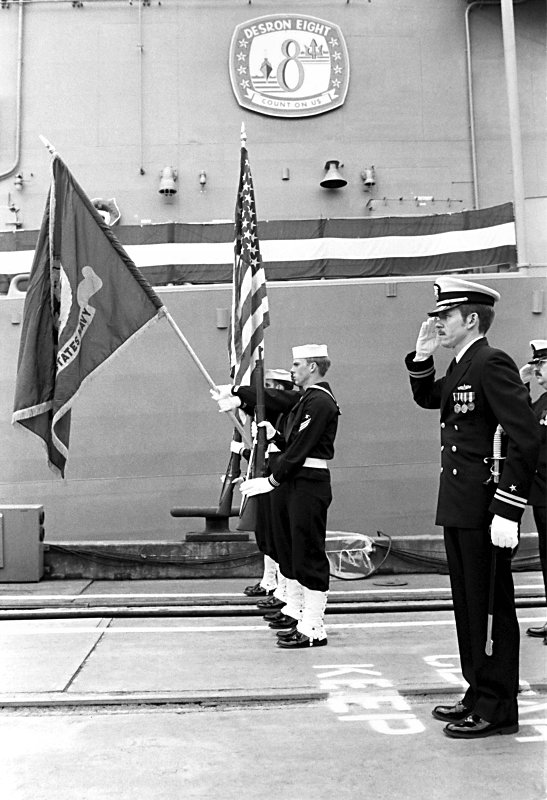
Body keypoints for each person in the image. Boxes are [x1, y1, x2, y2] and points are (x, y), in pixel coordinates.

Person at [405, 277, 540, 739]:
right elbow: (428, 398)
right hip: (461, 505)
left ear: (472, 319)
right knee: (467, 604)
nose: (437, 321)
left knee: (489, 606)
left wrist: (508, 508)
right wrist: (422, 357)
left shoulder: (491, 362)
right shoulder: (464, 365)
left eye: (445, 316)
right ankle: (478, 689)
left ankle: (498, 706)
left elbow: (525, 436)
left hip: (484, 508)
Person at [238, 344, 341, 649]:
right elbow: (293, 442)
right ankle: (300, 614)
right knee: (295, 549)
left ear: (313, 367)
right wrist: (276, 436)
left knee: (308, 552)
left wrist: (272, 479)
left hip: (309, 482)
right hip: (298, 480)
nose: (292, 370)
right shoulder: (307, 400)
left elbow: (302, 448)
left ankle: (313, 626)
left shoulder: (321, 401)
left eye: (297, 364)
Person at [520, 340, 547, 644]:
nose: (536, 368)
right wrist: (523, 381)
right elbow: (524, 422)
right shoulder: (542, 402)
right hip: (541, 497)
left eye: (541, 364)